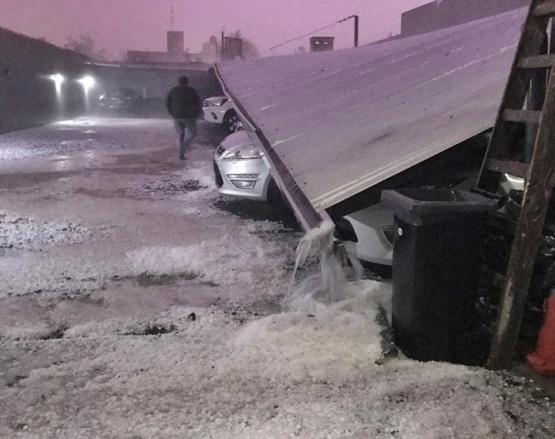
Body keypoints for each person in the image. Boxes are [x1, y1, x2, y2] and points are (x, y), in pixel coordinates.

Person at [165, 76, 202, 160]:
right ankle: (182, 147)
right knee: (192, 133)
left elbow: (167, 102)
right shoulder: (191, 91)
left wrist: (171, 112)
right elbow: (197, 102)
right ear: (187, 82)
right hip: (189, 116)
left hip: (176, 116)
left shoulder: (172, 91)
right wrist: (197, 112)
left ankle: (181, 152)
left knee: (181, 134)